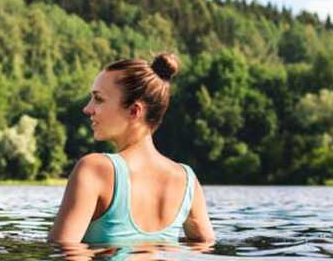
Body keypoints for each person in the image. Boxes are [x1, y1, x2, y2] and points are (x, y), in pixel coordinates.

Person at [49, 54, 215, 245]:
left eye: (98, 99)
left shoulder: (94, 169)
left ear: (134, 111)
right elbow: (204, 250)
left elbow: (62, 251)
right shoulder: (187, 180)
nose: (87, 109)